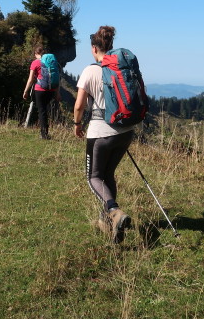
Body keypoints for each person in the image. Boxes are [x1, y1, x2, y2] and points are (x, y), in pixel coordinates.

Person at [73, 26, 135, 244]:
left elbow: (79, 104)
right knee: (108, 175)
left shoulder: (90, 70)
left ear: (94, 48)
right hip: (125, 131)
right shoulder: (119, 69)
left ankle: (114, 211)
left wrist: (77, 124)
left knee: (94, 177)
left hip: (101, 133)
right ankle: (109, 222)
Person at [23, 45, 61, 140]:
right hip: (51, 90)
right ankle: (45, 133)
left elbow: (31, 79)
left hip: (40, 90)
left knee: (42, 111)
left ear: (36, 54)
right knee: (45, 110)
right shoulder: (52, 62)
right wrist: (57, 93)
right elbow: (57, 79)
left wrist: (26, 91)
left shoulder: (35, 63)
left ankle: (44, 134)